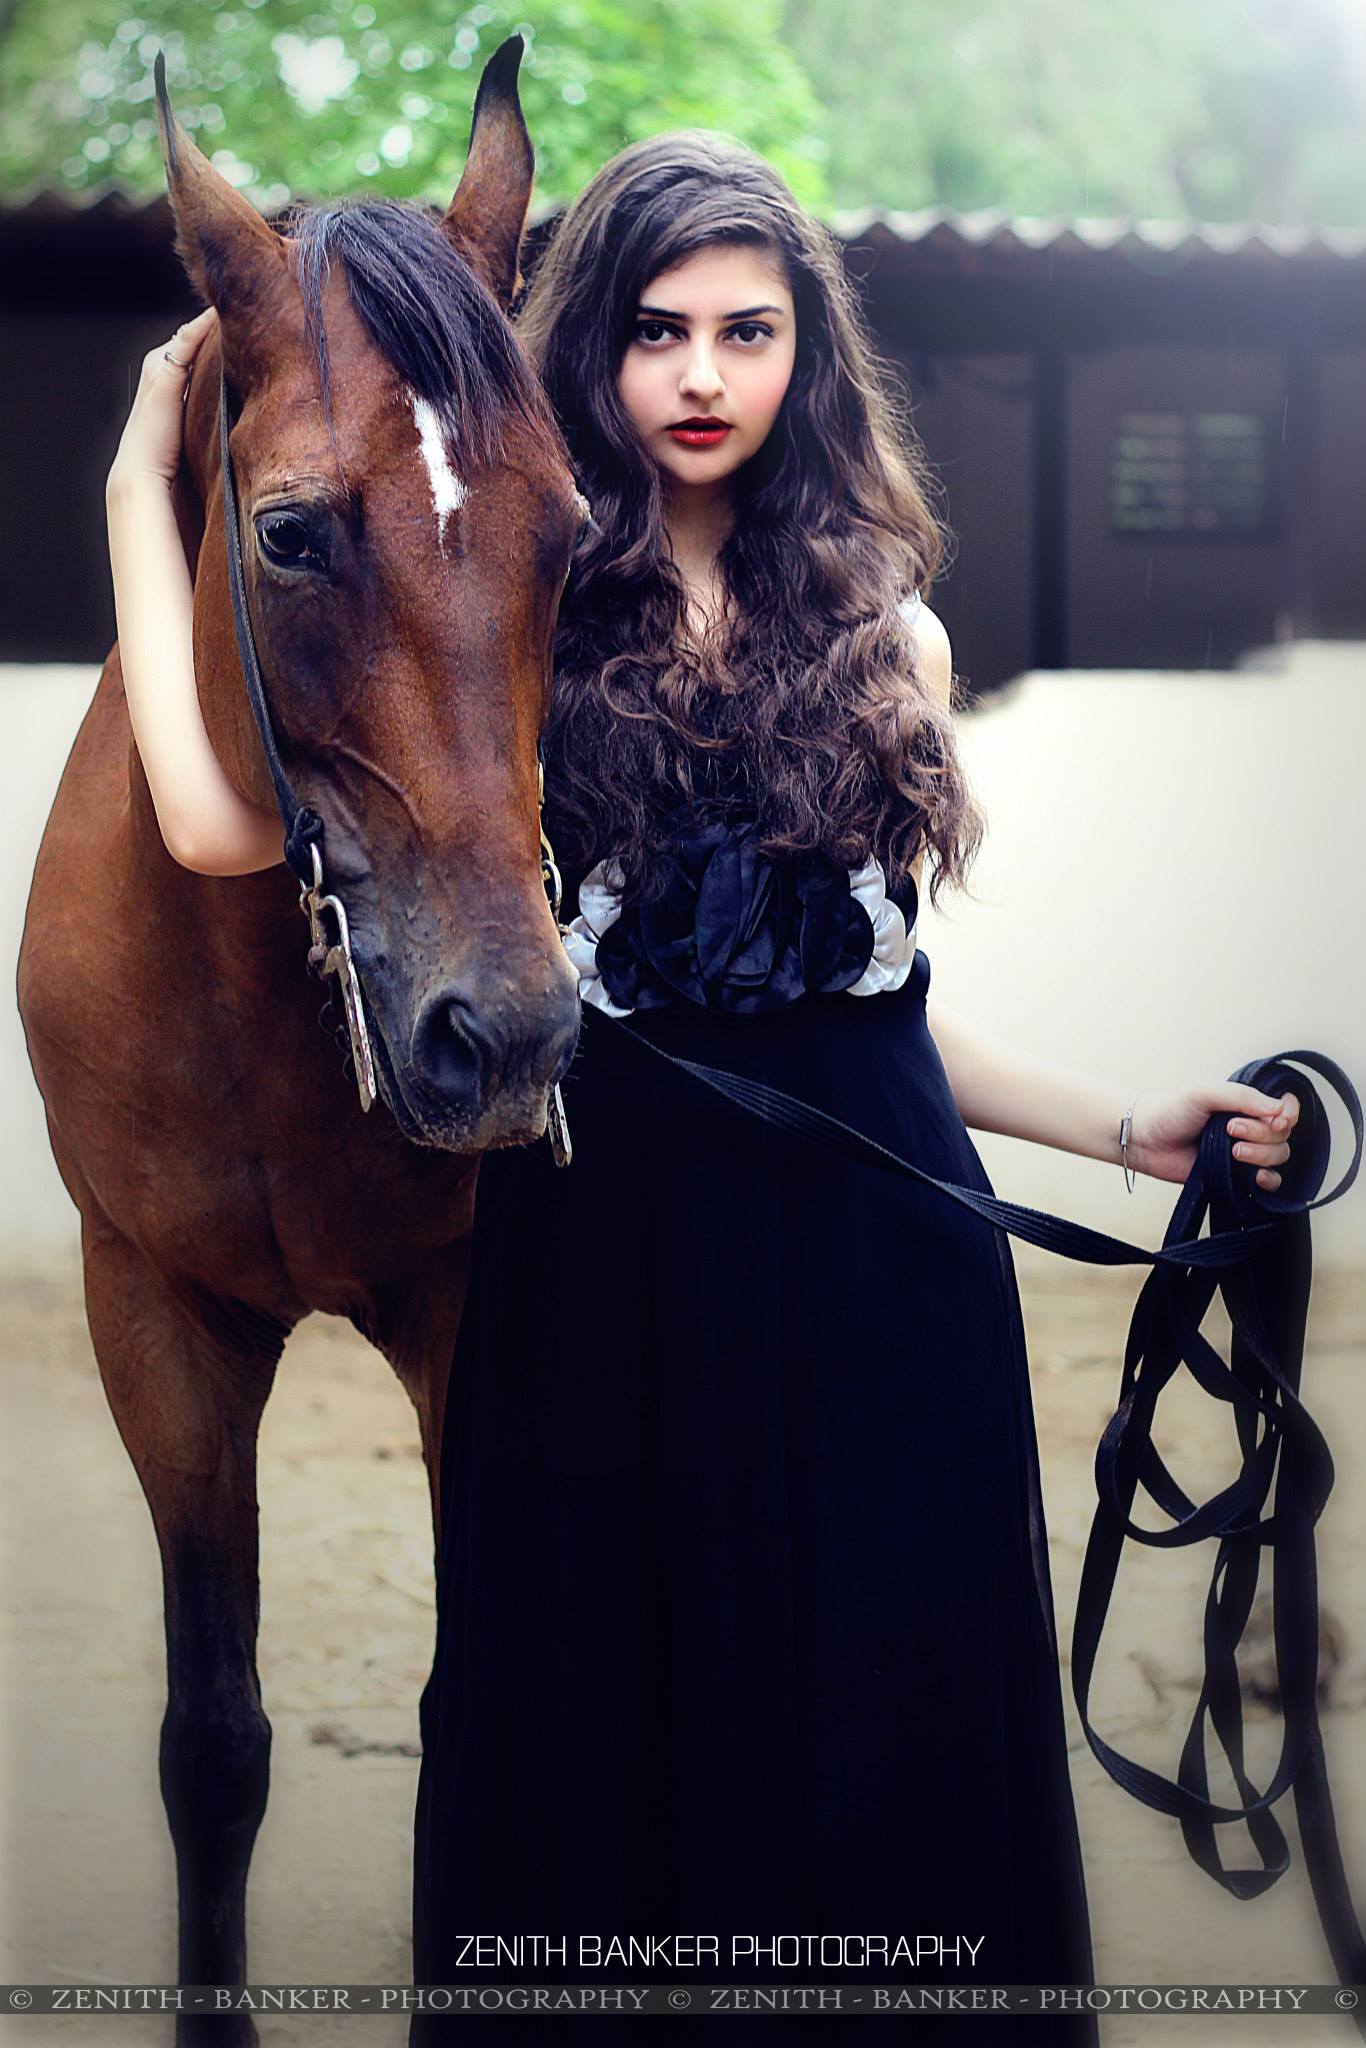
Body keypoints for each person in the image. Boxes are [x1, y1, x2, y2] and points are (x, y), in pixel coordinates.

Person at [107, 133, 1300, 2041]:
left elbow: (867, 1007)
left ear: (804, 353)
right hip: (604, 1261)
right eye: (657, 329)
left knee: (884, 1733)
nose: (700, 375)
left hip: (881, 1264)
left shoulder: (889, 633)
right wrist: (131, 489)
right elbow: (212, 826)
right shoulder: (519, 613)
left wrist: (1119, 1127)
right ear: (593, 345)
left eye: (747, 331)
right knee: (600, 1737)